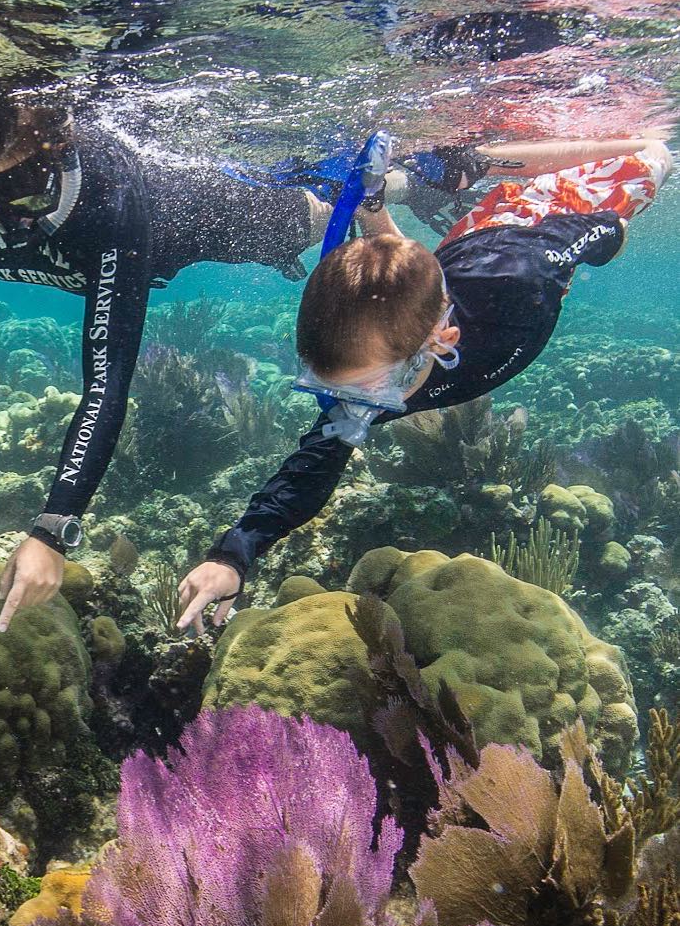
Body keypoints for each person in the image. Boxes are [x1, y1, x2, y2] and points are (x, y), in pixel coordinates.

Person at [0, 84, 467, 631]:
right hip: (116, 242)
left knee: (312, 213)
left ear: (57, 159)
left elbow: (106, 383)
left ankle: (398, 181)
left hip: (188, 213)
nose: (14, 226)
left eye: (31, 201)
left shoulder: (108, 197)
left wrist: (54, 528)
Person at [175, 135, 674, 633]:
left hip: (535, 233)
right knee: (422, 271)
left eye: (376, 386)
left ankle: (466, 163)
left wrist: (610, 233)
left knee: (655, 157)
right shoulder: (372, 380)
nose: (360, 409)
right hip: (458, 251)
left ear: (445, 343)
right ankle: (378, 197)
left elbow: (604, 233)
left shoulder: (525, 281)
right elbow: (308, 471)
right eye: (340, 390)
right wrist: (232, 556)